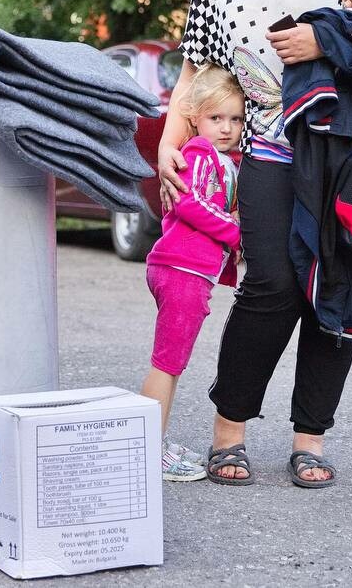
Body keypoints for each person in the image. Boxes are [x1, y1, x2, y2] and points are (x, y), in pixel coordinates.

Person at [158, 0, 352, 488]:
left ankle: (309, 438)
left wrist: (327, 39)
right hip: (268, 151)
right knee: (272, 284)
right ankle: (229, 430)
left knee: (336, 291)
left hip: (350, 156)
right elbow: (196, 77)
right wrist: (167, 144)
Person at [140, 65, 245, 482]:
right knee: (166, 365)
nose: (227, 128)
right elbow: (188, 204)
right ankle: (148, 452)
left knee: (172, 363)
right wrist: (236, 233)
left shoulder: (222, 159)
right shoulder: (200, 154)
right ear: (196, 118)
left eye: (235, 119)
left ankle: (154, 443)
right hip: (181, 270)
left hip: (187, 271)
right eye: (216, 118)